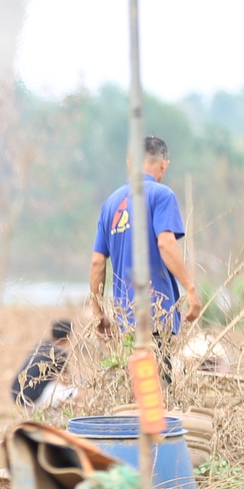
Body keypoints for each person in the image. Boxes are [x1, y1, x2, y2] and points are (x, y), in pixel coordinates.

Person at [89, 135, 200, 340]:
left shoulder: (110, 204)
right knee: (155, 373)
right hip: (155, 320)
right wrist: (190, 289)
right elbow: (166, 243)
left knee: (132, 373)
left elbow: (97, 262)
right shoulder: (161, 195)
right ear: (164, 165)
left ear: (130, 164)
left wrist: (98, 313)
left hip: (125, 324)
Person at [10, 319, 78, 409]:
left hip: (16, 393)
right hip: (32, 398)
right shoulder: (59, 353)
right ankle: (55, 416)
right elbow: (66, 381)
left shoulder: (41, 345)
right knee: (76, 391)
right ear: (68, 336)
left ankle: (44, 413)